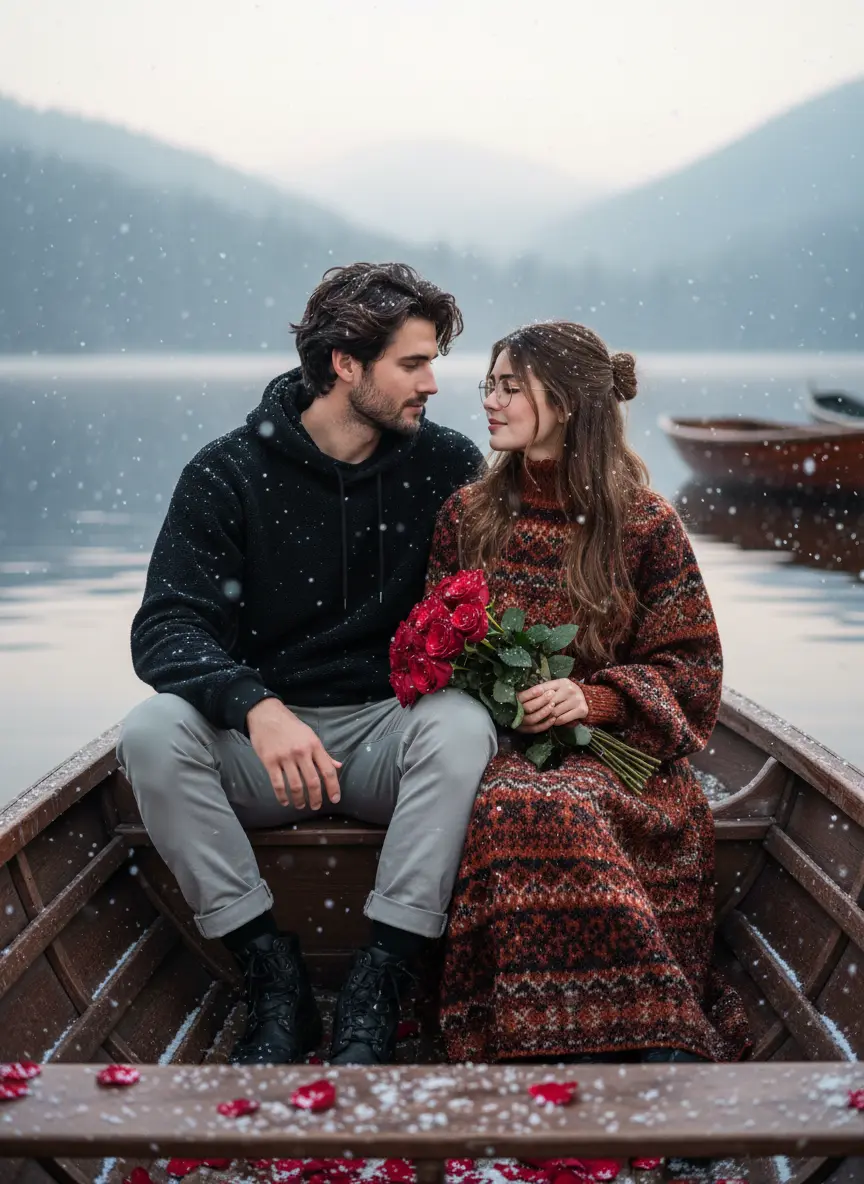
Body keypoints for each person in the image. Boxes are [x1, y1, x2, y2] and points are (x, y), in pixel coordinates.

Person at [117, 262, 497, 1067]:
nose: (433, 384)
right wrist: (255, 705)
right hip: (263, 751)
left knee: (463, 726)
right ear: (345, 365)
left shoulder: (446, 466)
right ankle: (269, 972)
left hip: (387, 733)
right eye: (413, 363)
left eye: (434, 362)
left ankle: (383, 974)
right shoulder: (228, 472)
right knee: (152, 731)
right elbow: (165, 627)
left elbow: (513, 587)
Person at [426, 321, 751, 1064]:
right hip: (494, 750)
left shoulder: (643, 523)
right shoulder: (467, 518)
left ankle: (655, 1026)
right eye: (491, 383)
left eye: (512, 385)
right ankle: (579, 1026)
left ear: (567, 402)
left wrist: (591, 701)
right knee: (518, 799)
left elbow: (693, 672)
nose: (492, 400)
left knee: (549, 802)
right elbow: (442, 648)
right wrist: (490, 693)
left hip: (623, 762)